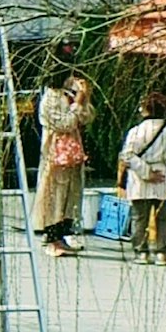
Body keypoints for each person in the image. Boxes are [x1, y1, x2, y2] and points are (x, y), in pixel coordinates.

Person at [117, 94, 166, 266]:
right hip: (164, 176)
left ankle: (141, 252)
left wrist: (146, 172)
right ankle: (163, 252)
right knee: (164, 218)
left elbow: (127, 155)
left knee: (139, 217)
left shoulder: (136, 130)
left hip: (139, 180)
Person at [34, 71, 94, 255]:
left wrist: (84, 98)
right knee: (54, 194)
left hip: (73, 152)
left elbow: (87, 117)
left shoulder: (71, 92)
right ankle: (52, 236)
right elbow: (65, 124)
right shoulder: (50, 99)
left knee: (72, 194)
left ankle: (64, 233)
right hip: (56, 153)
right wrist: (77, 104)